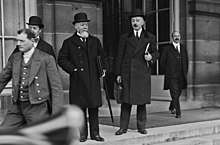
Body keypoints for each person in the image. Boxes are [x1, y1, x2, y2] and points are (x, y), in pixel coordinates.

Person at [57, 12, 107, 142]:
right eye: (82, 24)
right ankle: (83, 134)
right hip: (78, 80)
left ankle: (95, 134)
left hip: (93, 80)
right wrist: (73, 69)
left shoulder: (94, 41)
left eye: (86, 24)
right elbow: (62, 59)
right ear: (76, 26)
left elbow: (102, 57)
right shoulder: (69, 42)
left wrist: (103, 69)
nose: (85, 27)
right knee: (81, 108)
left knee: (94, 107)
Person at [0, 29, 64, 129]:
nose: (18, 44)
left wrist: (56, 115)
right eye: (17, 40)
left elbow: (56, 88)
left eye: (22, 41)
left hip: (37, 107)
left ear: (32, 41)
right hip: (17, 106)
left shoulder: (46, 59)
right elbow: (2, 79)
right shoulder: (14, 58)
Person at [115, 9, 159, 135]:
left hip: (142, 73)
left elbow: (156, 52)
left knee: (141, 102)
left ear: (143, 22)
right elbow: (119, 56)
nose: (135, 22)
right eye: (133, 20)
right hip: (127, 73)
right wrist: (118, 74)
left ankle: (141, 127)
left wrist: (151, 57)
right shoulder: (125, 37)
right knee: (126, 102)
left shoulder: (150, 37)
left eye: (138, 20)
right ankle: (123, 127)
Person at [160, 31, 189, 118]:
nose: (177, 37)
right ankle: (178, 112)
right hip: (171, 75)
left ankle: (172, 106)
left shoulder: (183, 48)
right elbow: (162, 62)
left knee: (178, 92)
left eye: (178, 36)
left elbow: (186, 61)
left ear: (180, 37)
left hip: (181, 74)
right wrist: (168, 71)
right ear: (172, 37)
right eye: (175, 36)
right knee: (174, 93)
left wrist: (185, 72)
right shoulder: (167, 48)